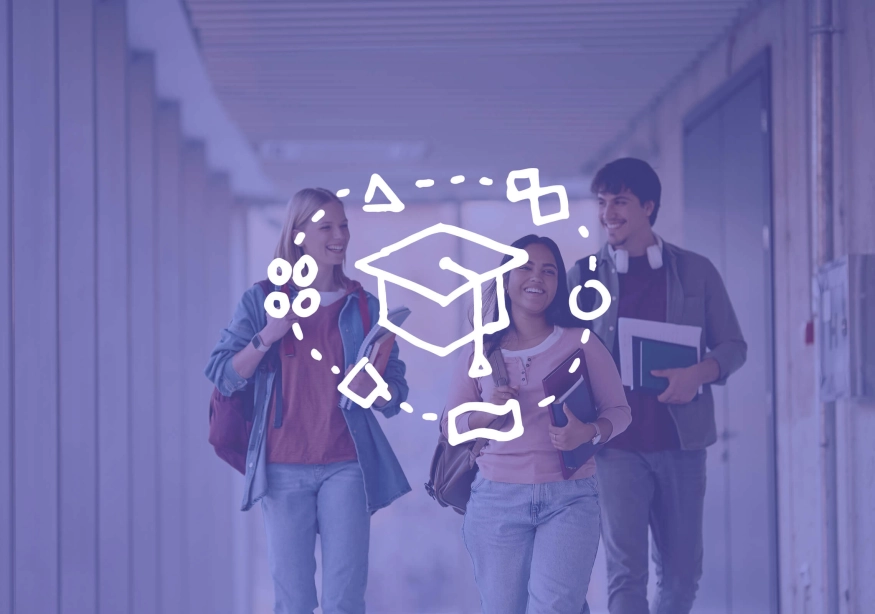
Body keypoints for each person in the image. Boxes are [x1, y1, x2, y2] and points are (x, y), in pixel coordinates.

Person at [205, 188, 411, 614]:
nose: (340, 236)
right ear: (298, 235)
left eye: (344, 225)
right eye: (326, 228)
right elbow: (223, 374)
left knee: (345, 599)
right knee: (293, 600)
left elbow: (394, 394)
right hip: (282, 469)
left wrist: (377, 386)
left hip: (347, 465)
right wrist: (268, 335)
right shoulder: (262, 301)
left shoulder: (365, 306)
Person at [568, 158, 747, 614]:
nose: (608, 213)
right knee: (626, 575)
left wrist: (698, 374)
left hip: (682, 445)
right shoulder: (584, 276)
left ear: (649, 206)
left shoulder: (696, 272)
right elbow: (557, 350)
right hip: (615, 450)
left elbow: (733, 345)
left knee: (683, 575)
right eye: (603, 202)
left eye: (620, 202)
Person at [443, 235, 631, 614]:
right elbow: (452, 427)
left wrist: (588, 433)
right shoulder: (480, 350)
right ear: (506, 278)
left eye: (549, 270)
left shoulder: (582, 342)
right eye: (525, 267)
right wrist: (487, 411)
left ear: (558, 283)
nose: (537, 278)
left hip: (570, 498)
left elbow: (620, 411)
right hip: (496, 501)